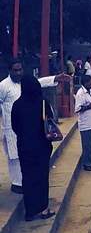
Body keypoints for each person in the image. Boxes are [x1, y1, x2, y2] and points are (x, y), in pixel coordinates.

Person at [11, 75, 56, 221]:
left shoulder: (17, 105)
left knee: (28, 177)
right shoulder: (42, 102)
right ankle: (43, 209)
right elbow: (51, 120)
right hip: (41, 145)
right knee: (42, 177)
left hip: (25, 146)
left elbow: (15, 126)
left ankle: (29, 212)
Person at [0, 59, 25, 193]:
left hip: (23, 127)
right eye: (15, 70)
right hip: (9, 128)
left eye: (20, 69)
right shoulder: (3, 86)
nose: (18, 72)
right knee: (13, 156)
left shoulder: (23, 83)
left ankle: (22, 181)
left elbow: (40, 82)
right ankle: (16, 184)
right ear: (10, 71)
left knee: (21, 155)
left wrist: (55, 78)